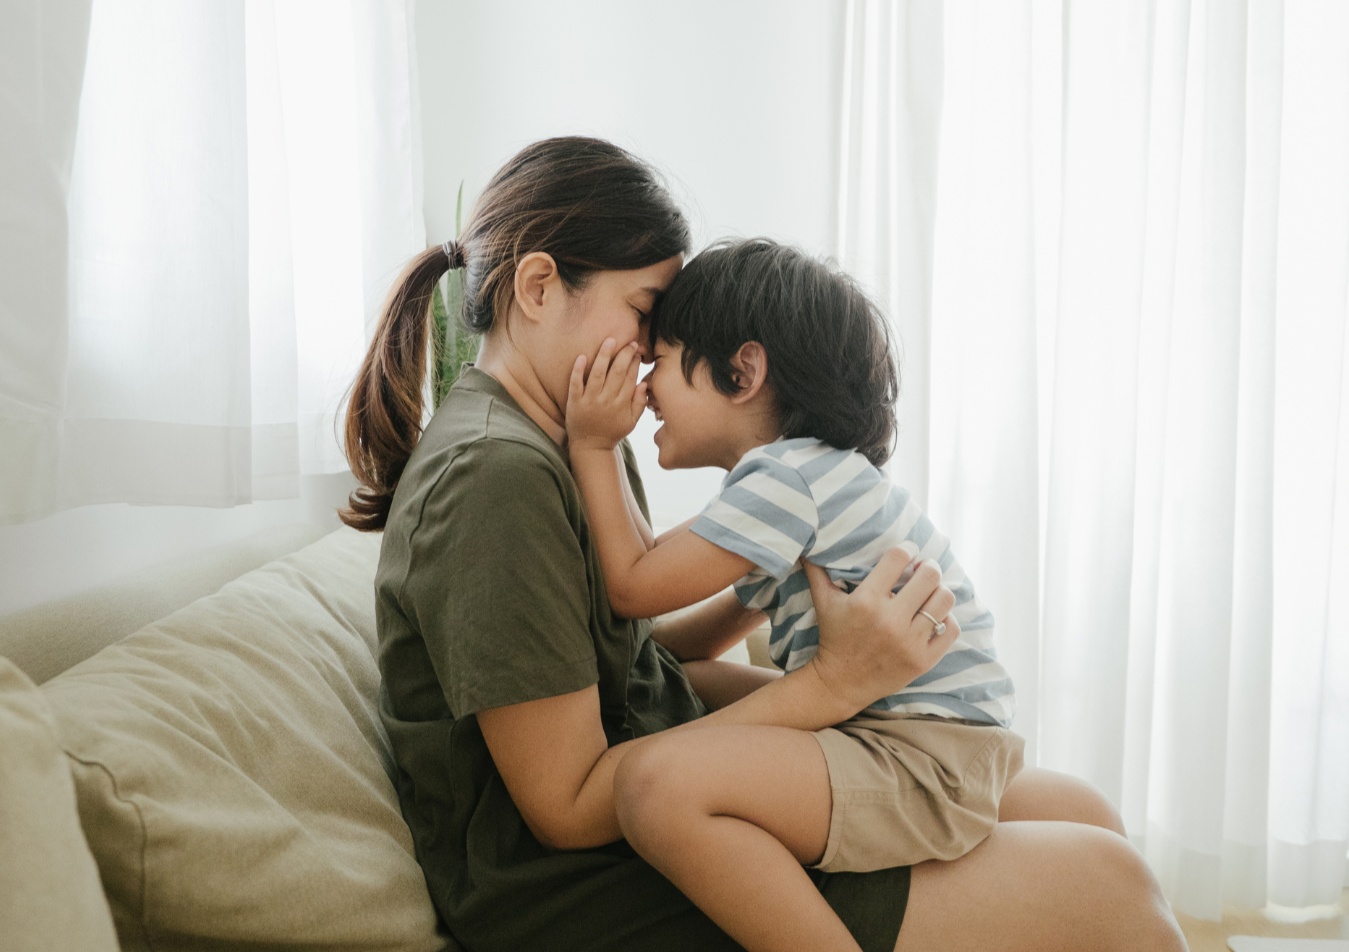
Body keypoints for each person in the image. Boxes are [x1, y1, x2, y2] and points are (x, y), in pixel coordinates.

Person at [343, 135, 1187, 952]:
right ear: (537, 286)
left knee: (1083, 813)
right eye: (646, 314)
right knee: (1116, 892)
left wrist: (758, 610)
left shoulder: (567, 440)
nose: (648, 358)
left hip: (672, 790)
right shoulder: (496, 478)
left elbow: (618, 655)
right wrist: (832, 684)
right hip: (588, 881)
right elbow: (565, 806)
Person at [563, 238, 1025, 952]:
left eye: (659, 361)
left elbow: (632, 585)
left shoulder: (784, 481)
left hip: (921, 752)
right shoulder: (805, 481)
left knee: (656, 788)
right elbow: (677, 631)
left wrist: (591, 446)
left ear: (743, 372)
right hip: (940, 738)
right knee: (698, 679)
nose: (645, 386)